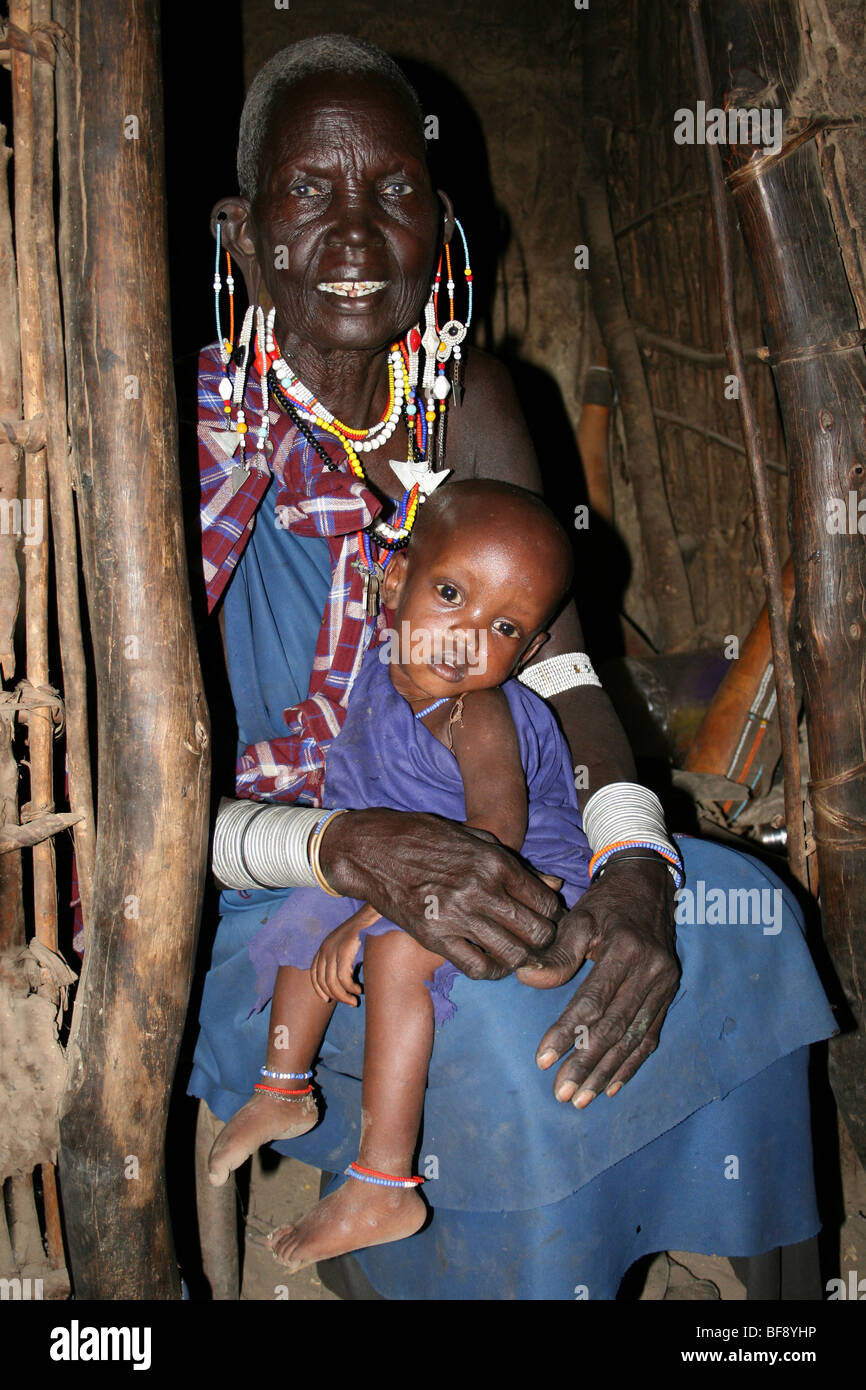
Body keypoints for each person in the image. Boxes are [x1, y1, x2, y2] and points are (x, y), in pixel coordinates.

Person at [191, 34, 836, 1299]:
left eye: (393, 193)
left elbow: (561, 673)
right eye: (311, 191)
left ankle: (778, 1310)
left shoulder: (473, 404)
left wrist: (633, 861)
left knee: (739, 922)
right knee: (492, 1010)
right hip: (264, 873)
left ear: (441, 227)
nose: (358, 231)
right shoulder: (182, 439)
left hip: (499, 822)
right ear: (244, 228)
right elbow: (132, 794)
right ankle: (437, 1243)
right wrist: (342, 846)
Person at [208, 481, 597, 1270]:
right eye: (451, 593)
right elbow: (363, 815)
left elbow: (493, 839)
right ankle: (283, 1088)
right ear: (396, 582)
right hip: (414, 860)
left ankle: (385, 1182)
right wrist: (351, 899)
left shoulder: (477, 712)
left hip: (515, 866)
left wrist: (374, 918)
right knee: (306, 904)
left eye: (504, 627)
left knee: (394, 955)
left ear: (526, 652)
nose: (465, 635)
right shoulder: (373, 683)